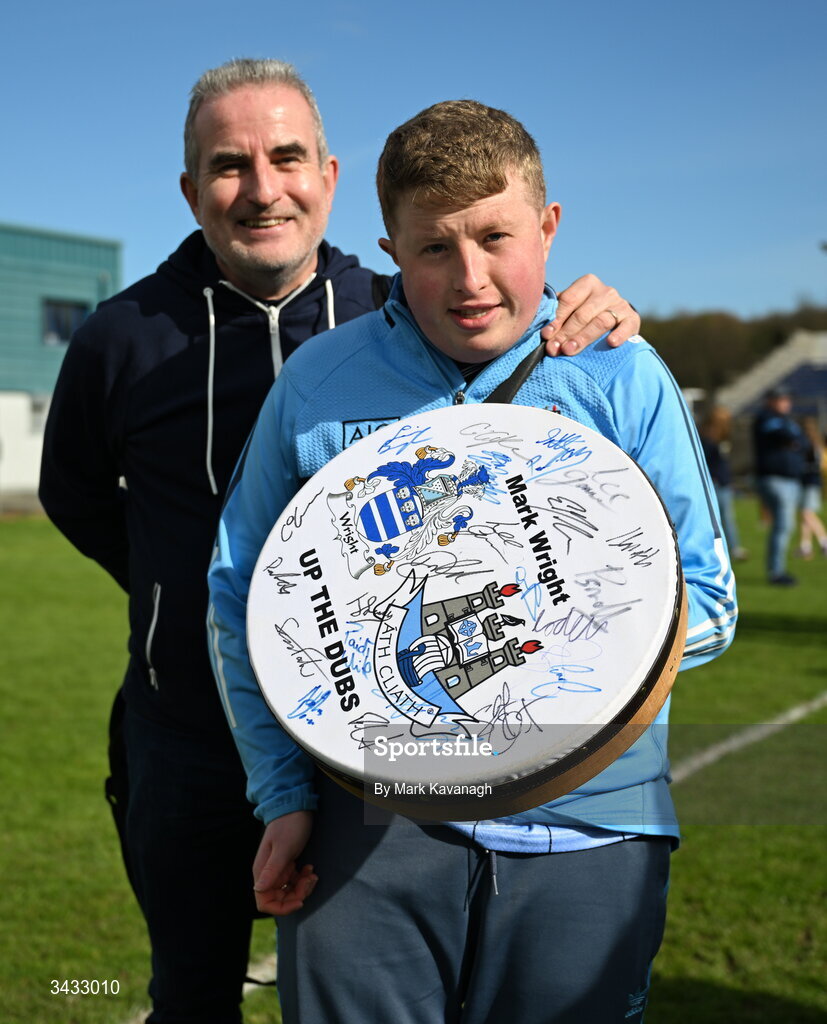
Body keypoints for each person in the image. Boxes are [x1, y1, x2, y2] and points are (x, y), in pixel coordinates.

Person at [38, 59, 642, 1024]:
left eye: (287, 157)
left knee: (354, 992)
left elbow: (507, 321)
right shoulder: (119, 337)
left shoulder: (399, 308)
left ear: (326, 172)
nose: (263, 188)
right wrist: (179, 595)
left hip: (360, 750)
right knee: (189, 996)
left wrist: (595, 313)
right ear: (192, 190)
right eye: (228, 166)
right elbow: (73, 495)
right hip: (183, 737)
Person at [208, 99, 737, 1023]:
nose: (471, 278)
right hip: (374, 818)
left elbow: (712, 601)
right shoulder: (319, 382)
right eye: (432, 249)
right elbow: (239, 593)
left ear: (550, 225)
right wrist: (287, 794)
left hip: (594, 824)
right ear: (389, 250)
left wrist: (543, 667)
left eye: (498, 236)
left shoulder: (619, 369)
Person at [752, 387, 805, 585]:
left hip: (790, 479)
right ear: (771, 400)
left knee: (786, 525)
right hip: (774, 478)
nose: (786, 403)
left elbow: (802, 441)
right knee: (783, 525)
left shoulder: (786, 420)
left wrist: (795, 442)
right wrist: (793, 442)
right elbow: (786, 437)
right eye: (782, 399)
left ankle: (777, 569)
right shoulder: (766, 418)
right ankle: (776, 572)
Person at [699, 406, 747, 560]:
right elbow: (704, 461)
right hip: (715, 484)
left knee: (727, 517)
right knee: (715, 518)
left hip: (724, 484)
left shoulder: (724, 438)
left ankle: (733, 548)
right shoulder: (706, 439)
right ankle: (723, 548)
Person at [796, 416, 827, 558]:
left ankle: (824, 541)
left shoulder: (809, 445)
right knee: (804, 515)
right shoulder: (815, 444)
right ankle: (805, 547)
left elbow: (816, 466)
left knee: (807, 514)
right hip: (807, 483)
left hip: (810, 483)